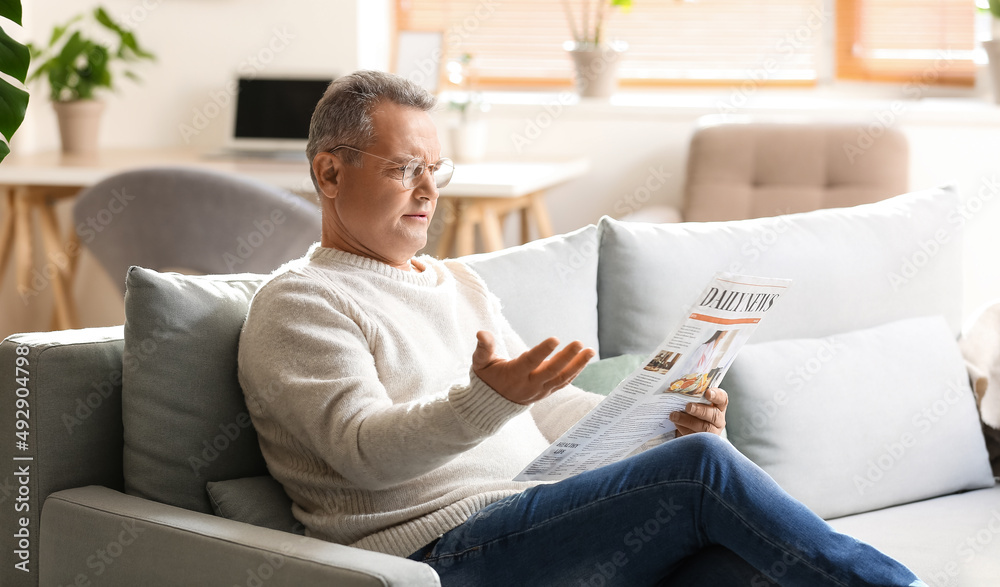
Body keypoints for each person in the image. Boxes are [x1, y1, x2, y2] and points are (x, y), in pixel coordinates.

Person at [237, 70, 926, 586]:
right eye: (404, 169)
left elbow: (547, 410)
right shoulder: (301, 303)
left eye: (435, 169)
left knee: (734, 562)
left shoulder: (459, 283)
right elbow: (362, 451)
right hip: (434, 552)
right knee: (701, 471)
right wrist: (488, 400)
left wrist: (664, 420)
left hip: (534, 522)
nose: (428, 191)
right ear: (330, 171)